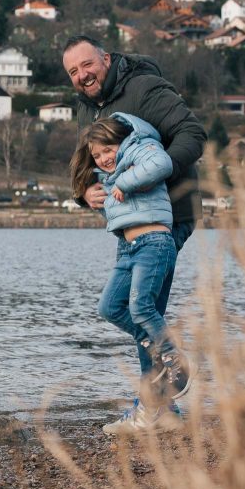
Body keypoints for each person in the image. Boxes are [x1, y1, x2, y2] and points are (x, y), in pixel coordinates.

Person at [62, 35, 206, 423]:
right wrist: (84, 194)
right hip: (129, 223)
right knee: (133, 310)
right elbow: (89, 167)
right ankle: (161, 404)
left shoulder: (143, 88)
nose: (82, 75)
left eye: (87, 65)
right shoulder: (88, 109)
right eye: (73, 72)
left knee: (146, 309)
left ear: (106, 59)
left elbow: (192, 136)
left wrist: (146, 180)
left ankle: (156, 407)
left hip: (168, 216)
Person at [70, 113, 196, 434]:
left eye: (107, 150)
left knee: (142, 308)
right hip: (128, 248)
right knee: (110, 307)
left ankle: (174, 360)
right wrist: (90, 194)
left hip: (154, 241)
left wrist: (123, 182)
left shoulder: (140, 147)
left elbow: (162, 166)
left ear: (120, 141)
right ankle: (156, 347)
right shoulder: (107, 173)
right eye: (97, 155)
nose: (103, 158)